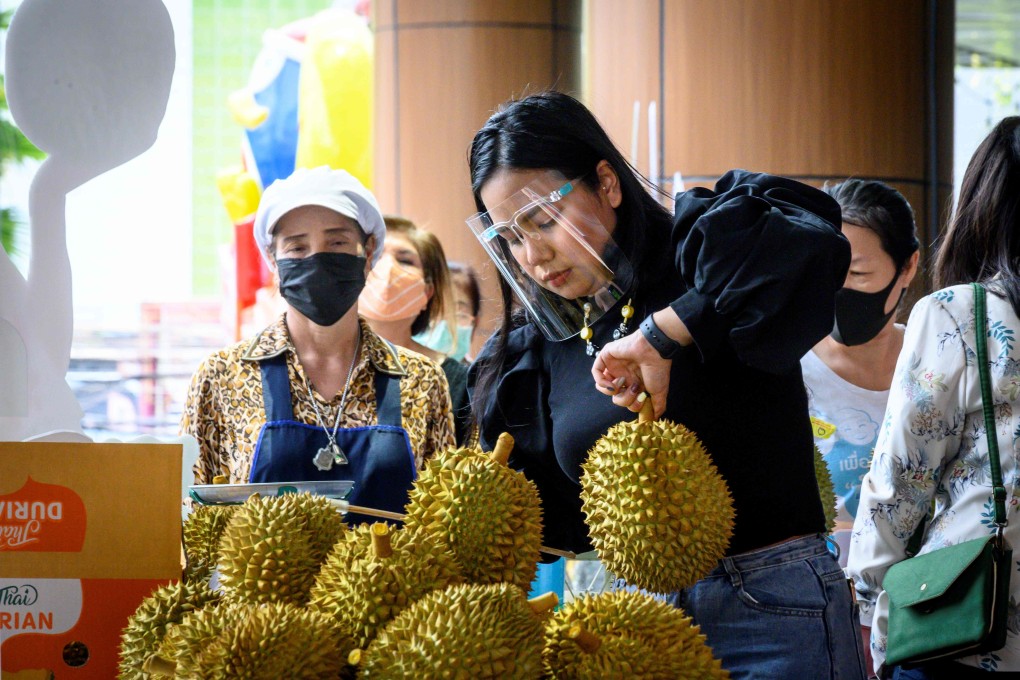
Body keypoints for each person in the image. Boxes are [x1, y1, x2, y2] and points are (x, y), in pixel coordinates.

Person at [466, 90, 864, 678]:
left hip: (776, 605)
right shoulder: (541, 347)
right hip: (632, 623)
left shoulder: (704, 250)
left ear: (606, 183)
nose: (532, 253)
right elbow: (549, 522)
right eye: (510, 238)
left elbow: (807, 246)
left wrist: (666, 333)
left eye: (543, 220)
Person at [848, 117, 1020, 679]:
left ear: (983, 206)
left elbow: (900, 483)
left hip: (963, 628)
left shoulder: (959, 315)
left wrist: (873, 613)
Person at [181, 166, 455, 518]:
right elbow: (191, 523)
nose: (316, 259)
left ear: (368, 251)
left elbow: (441, 524)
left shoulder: (422, 380)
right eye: (297, 247)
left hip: (389, 574)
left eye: (336, 242)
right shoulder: (221, 377)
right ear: (273, 262)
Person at [802, 180, 920, 567]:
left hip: (919, 597)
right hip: (819, 594)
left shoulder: (934, 363)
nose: (839, 289)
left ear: (907, 267)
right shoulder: (791, 369)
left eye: (857, 274)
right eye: (829, 272)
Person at [360, 215, 471, 445]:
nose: (388, 269)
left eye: (406, 260)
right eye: (376, 256)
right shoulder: (323, 369)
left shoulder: (454, 380)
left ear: (428, 292)